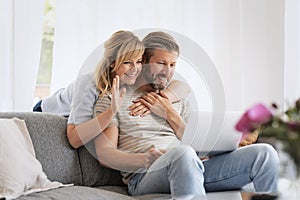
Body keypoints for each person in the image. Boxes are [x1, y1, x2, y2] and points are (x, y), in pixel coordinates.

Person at [93, 31, 279, 199]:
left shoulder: (176, 100)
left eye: (173, 65)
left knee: (264, 154)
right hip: (145, 176)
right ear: (143, 62)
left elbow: (195, 142)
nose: (168, 72)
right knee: (182, 153)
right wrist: (144, 159)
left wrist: (170, 113)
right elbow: (105, 155)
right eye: (161, 63)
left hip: (192, 166)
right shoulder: (113, 100)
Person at [33, 30, 191, 149]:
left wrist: (161, 100)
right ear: (112, 63)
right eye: (127, 62)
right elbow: (74, 139)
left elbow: (183, 86)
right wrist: (111, 111)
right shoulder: (89, 84)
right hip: (53, 111)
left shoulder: (136, 77)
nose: (135, 69)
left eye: (138, 61)